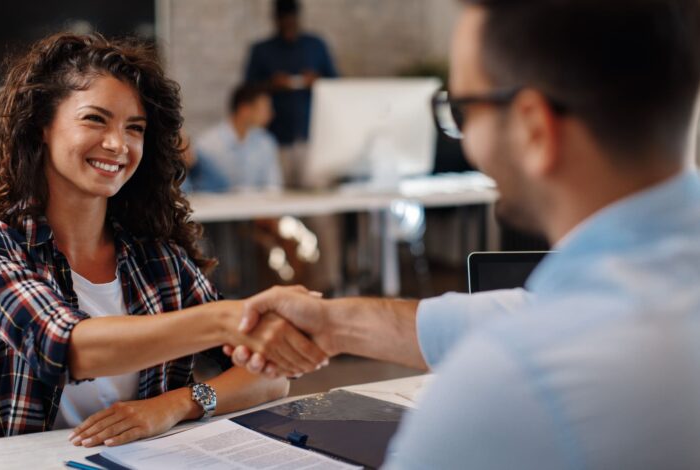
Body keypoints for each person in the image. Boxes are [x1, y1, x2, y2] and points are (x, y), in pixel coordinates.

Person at [228, 0, 700, 467]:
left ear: (534, 128)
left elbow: (522, 336)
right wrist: (332, 324)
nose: (465, 138)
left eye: (463, 109)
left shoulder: (508, 386)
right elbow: (514, 312)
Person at [0, 32, 327, 445]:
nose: (118, 144)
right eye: (95, 119)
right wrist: (229, 320)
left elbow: (270, 378)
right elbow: (67, 348)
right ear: (42, 125)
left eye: (135, 128)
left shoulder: (159, 258)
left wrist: (178, 404)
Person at [244, 0, 338, 186]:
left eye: (292, 21)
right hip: (276, 137)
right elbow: (247, 90)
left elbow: (336, 84)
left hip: (312, 135)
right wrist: (272, 84)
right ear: (276, 21)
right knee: (279, 198)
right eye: (284, 21)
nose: (288, 26)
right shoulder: (262, 50)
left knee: (318, 201)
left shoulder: (315, 45)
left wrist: (318, 81)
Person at [192, 83, 282, 192]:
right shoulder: (207, 144)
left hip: (259, 207)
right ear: (244, 109)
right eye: (265, 109)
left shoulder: (266, 142)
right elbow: (200, 189)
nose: (271, 114)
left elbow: (273, 187)